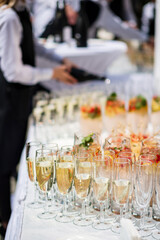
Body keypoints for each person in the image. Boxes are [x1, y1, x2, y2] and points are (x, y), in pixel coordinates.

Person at [0, 0, 77, 235]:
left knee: (11, 159)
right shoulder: (9, 18)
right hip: (8, 102)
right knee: (4, 164)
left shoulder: (21, 12)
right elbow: (13, 70)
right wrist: (51, 73)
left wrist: (57, 59)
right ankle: (5, 221)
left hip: (19, 100)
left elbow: (32, 45)